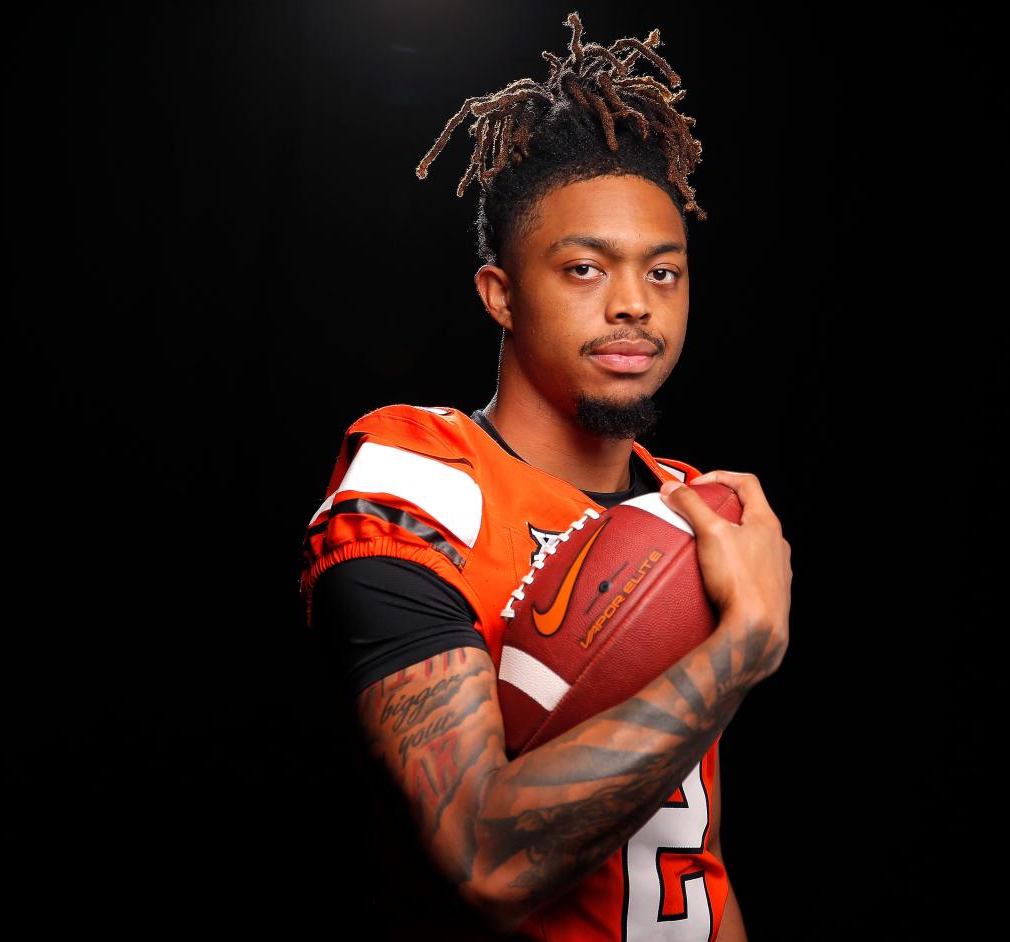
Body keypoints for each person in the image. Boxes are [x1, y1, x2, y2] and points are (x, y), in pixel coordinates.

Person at [298, 12, 791, 941]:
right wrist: (740, 653)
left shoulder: (693, 513)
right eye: (582, 267)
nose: (634, 304)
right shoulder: (420, 483)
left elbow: (685, 857)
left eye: (665, 271)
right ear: (500, 294)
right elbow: (486, 860)